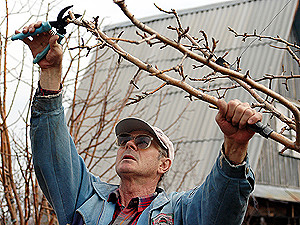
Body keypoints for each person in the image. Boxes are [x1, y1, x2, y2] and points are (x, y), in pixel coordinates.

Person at [18, 22, 262, 225]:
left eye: (143, 141)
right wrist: (50, 73)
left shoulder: (181, 211)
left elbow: (221, 206)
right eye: (124, 140)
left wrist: (235, 146)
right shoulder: (86, 196)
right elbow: (53, 156)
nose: (129, 145)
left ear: (164, 164)